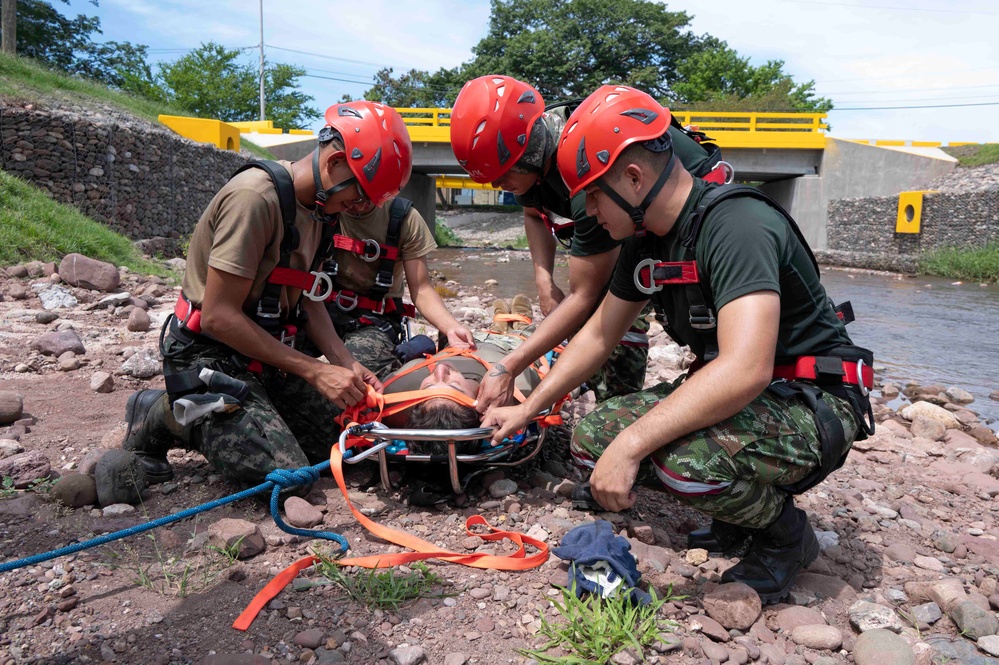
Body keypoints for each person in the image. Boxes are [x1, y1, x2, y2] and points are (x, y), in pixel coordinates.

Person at [483, 86, 874, 602]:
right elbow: (601, 333)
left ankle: (785, 536)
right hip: (754, 396)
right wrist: (530, 407)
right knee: (593, 435)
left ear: (634, 177)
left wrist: (632, 446)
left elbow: (744, 369)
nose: (590, 214)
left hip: (812, 401)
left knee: (679, 461)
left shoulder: (736, 224)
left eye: (593, 196)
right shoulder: (647, 242)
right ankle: (733, 516)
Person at [121, 101, 414, 491]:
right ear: (336, 163)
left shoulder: (323, 212)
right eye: (360, 197)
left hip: (267, 352)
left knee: (348, 444)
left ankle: (258, 409)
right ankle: (162, 414)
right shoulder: (254, 200)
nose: (360, 209)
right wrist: (314, 370)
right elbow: (218, 317)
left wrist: (344, 363)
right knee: (286, 475)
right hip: (209, 353)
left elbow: (310, 295)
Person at [449, 75, 724, 415]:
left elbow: (584, 296)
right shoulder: (528, 164)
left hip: (676, 223)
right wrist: (543, 278)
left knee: (617, 314)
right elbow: (535, 215)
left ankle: (619, 398)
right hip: (631, 213)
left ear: (530, 153)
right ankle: (592, 379)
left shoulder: (587, 181)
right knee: (587, 313)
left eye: (503, 176)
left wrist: (510, 368)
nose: (499, 184)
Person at [313, 193, 475, 381]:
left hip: (374, 320)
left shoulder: (405, 218)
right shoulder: (321, 209)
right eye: (353, 196)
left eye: (366, 200)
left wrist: (451, 327)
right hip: (320, 310)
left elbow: (422, 289)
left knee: (362, 371)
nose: (356, 207)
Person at [380, 294, 544, 454]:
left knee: (486, 330)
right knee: (521, 334)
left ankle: (498, 324)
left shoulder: (396, 391)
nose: (440, 369)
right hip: (509, 347)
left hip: (465, 341)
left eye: (429, 385)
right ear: (481, 411)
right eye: (454, 385)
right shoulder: (515, 391)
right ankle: (520, 322)